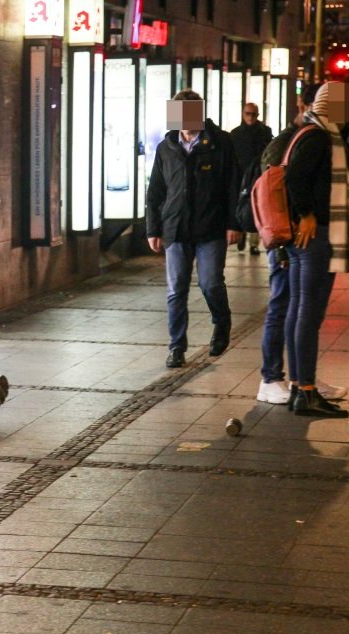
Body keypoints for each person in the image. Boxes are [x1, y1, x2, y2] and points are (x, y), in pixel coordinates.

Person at [256, 84, 347, 407]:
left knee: (300, 308)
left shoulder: (314, 132)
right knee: (308, 310)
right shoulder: (318, 136)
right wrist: (307, 214)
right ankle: (304, 389)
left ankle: (300, 385)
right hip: (314, 236)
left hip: (308, 237)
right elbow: (296, 178)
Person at [146, 89, 243, 369]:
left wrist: (233, 223)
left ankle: (221, 323)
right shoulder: (166, 148)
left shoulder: (221, 142)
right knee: (176, 290)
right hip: (176, 228)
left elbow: (232, 185)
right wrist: (154, 228)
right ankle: (176, 346)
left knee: (210, 283)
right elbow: (156, 190)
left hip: (210, 227)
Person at [229, 102, 273, 255]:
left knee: (256, 207)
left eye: (253, 114)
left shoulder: (265, 132)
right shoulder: (235, 134)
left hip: (257, 175)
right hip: (241, 175)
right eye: (248, 114)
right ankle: (241, 231)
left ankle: (253, 241)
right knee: (242, 205)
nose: (251, 117)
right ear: (243, 114)